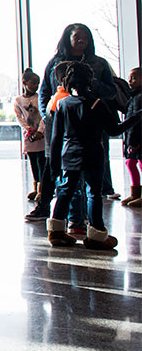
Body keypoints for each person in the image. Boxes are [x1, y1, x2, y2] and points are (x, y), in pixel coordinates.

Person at [37, 23, 122, 235]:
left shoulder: (99, 64)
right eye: (77, 36)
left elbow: (111, 92)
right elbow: (44, 93)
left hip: (92, 124)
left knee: (92, 181)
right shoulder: (55, 63)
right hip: (61, 123)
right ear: (68, 38)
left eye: (85, 36)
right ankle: (74, 222)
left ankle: (89, 224)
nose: (81, 40)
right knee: (67, 178)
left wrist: (90, 85)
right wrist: (49, 115)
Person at [46, 62, 128, 250]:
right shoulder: (97, 103)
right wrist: (135, 118)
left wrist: (54, 164)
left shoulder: (63, 104)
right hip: (92, 153)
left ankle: (56, 232)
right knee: (93, 193)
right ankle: (97, 235)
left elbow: (56, 137)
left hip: (69, 153)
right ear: (90, 80)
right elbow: (114, 129)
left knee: (65, 191)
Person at [14, 69, 49, 208]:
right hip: (29, 136)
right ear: (24, 83)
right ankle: (36, 187)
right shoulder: (18, 100)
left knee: (42, 161)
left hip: (41, 134)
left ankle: (43, 188)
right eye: (33, 83)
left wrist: (40, 130)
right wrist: (28, 130)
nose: (36, 86)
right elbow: (19, 117)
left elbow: (43, 116)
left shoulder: (39, 98)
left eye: (37, 83)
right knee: (33, 162)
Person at [122, 68, 141, 208]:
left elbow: (137, 121)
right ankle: (135, 192)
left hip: (138, 138)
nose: (130, 81)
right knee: (130, 162)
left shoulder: (139, 98)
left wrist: (134, 141)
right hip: (132, 137)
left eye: (134, 78)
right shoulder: (133, 97)